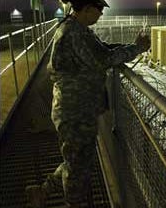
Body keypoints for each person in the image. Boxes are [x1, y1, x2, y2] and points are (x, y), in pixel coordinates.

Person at [25, 0, 150, 207]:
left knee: (77, 162)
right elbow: (102, 60)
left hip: (79, 109)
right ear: (86, 8)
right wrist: (136, 48)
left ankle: (42, 191)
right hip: (74, 112)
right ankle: (72, 202)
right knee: (76, 166)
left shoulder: (79, 30)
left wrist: (132, 47)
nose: (100, 14)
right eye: (99, 9)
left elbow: (103, 50)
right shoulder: (73, 32)